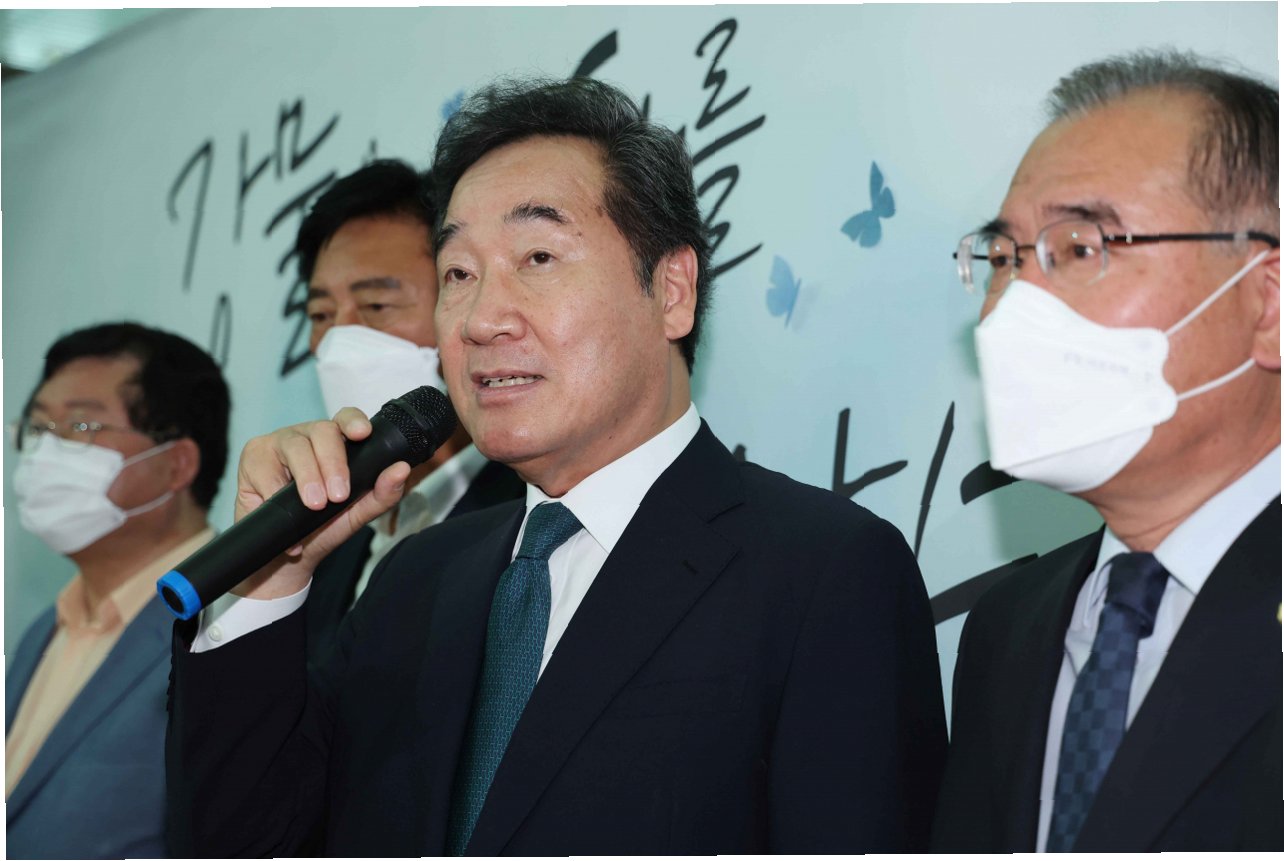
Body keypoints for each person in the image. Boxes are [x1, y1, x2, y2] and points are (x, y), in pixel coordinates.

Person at [166, 77, 946, 855]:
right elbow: (240, 841)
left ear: (672, 290)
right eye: (459, 274)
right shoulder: (413, 581)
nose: (481, 320)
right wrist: (270, 584)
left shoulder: (824, 570)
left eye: (538, 256)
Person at [933, 50, 1281, 852]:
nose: (1011, 307)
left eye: (1080, 248)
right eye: (1003, 259)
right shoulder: (1006, 629)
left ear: (1268, 306)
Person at [6, 322, 230, 859]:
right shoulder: (44, 630)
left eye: (81, 425)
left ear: (176, 464)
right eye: (37, 427)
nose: (44, 451)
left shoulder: (228, 625)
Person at [285, 159, 522, 663]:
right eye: (321, 314)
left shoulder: (533, 518)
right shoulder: (322, 540)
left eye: (375, 306)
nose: (338, 341)